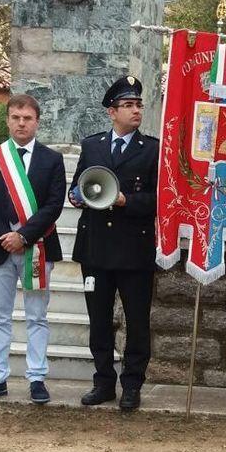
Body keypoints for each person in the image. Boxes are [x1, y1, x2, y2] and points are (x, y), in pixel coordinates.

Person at [0, 93, 67, 405]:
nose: (21, 123)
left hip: (37, 247)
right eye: (15, 117)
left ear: (37, 122)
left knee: (37, 317)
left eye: (27, 118)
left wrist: (23, 236)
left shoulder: (52, 159)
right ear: (8, 120)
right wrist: (4, 235)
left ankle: (37, 377)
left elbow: (54, 205)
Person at [70, 76, 160, 411]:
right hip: (96, 248)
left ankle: (132, 385)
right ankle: (103, 382)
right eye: (128, 105)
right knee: (99, 321)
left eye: (138, 104)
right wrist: (76, 196)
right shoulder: (92, 145)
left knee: (137, 322)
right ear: (112, 111)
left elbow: (159, 199)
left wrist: (127, 201)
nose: (136, 110)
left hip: (134, 250)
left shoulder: (151, 149)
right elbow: (80, 182)